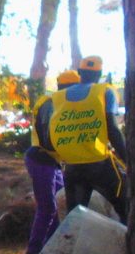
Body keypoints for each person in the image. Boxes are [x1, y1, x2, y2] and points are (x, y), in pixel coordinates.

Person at [37, 56, 128, 223]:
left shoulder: (57, 98)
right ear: (99, 73)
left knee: (75, 218)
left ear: (79, 73)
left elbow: (48, 137)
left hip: (72, 168)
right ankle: (129, 246)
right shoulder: (104, 91)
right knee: (127, 205)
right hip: (100, 164)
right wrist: (128, 159)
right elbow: (113, 130)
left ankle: (71, 248)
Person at [22, 70, 80, 254]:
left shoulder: (60, 103)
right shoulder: (50, 104)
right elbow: (48, 140)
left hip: (52, 163)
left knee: (58, 204)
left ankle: (50, 248)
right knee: (48, 206)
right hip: (41, 160)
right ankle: (32, 252)